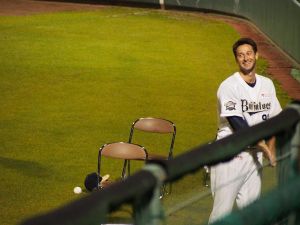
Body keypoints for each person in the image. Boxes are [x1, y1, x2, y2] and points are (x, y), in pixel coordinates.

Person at [208, 37, 282, 223]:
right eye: (240, 55)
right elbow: (238, 124)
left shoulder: (267, 85)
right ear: (236, 59)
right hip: (229, 158)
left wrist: (271, 147)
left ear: (256, 55)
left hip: (254, 158)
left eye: (249, 53)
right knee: (221, 215)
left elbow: (276, 120)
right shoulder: (228, 87)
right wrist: (265, 148)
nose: (245, 58)